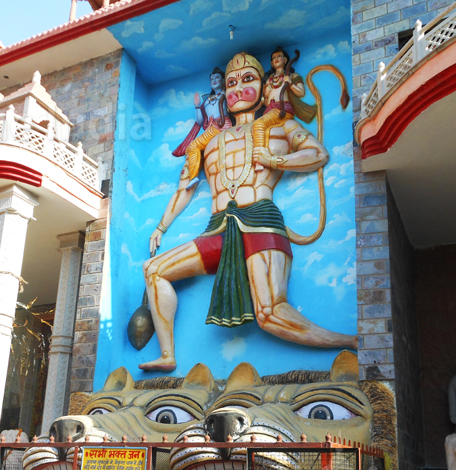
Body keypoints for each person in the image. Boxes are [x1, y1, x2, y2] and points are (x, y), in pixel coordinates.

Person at [140, 52, 357, 371]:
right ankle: (168, 355)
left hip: (260, 224)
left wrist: (275, 160)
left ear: (263, 84)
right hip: (217, 229)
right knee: (153, 269)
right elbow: (184, 189)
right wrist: (161, 227)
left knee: (269, 314)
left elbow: (317, 154)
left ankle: (348, 341)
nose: (238, 89)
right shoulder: (208, 143)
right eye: (231, 83)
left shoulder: (280, 126)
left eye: (248, 80)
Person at [172, 67, 232, 157]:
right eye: (212, 79)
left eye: (217, 78)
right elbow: (200, 122)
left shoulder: (226, 95)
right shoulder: (207, 101)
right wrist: (197, 106)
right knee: (191, 148)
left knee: (192, 147)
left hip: (222, 125)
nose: (214, 80)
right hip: (211, 128)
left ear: (223, 80)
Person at [262, 47, 316, 123]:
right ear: (272, 63)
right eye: (274, 58)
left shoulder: (293, 76)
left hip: (283, 109)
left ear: (285, 60)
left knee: (259, 124)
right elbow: (266, 101)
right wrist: (266, 96)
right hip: (270, 110)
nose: (276, 58)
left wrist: (291, 83)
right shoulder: (269, 80)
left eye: (279, 56)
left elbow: (301, 93)